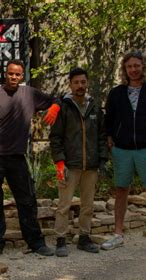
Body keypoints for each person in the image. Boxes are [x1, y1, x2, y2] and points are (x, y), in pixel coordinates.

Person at [0, 59, 60, 258]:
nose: (14, 77)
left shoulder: (30, 94)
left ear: (22, 76)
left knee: (27, 200)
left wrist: (55, 107)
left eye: (18, 74)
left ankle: (36, 242)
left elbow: (56, 98)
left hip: (17, 156)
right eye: (10, 73)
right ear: (5, 74)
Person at [102, 51, 146, 256]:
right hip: (122, 150)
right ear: (125, 69)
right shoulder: (116, 93)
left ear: (143, 67)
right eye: (129, 66)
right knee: (121, 190)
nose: (133, 70)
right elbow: (109, 120)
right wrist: (110, 142)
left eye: (137, 66)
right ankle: (118, 234)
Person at [49, 67, 108, 257]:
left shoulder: (95, 107)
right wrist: (59, 162)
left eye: (83, 82)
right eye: (76, 82)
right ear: (70, 84)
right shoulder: (64, 107)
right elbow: (55, 138)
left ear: (87, 83)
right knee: (64, 205)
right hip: (69, 165)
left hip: (90, 165)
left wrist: (102, 159)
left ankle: (84, 237)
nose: (80, 86)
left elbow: (101, 135)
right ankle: (60, 240)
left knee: (88, 205)